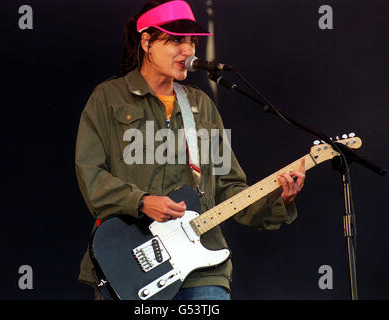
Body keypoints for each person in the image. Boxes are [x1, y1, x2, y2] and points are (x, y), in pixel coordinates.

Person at [75, 0, 305, 300]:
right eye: (175, 41)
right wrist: (141, 202)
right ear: (146, 42)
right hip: (130, 264)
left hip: (203, 271)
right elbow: (90, 175)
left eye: (192, 42)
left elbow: (228, 188)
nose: (188, 51)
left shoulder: (201, 106)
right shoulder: (108, 98)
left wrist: (278, 199)